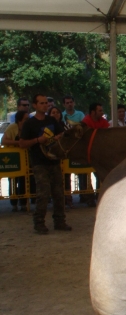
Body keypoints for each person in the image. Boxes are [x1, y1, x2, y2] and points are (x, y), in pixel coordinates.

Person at [20, 94, 71, 234]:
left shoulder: (52, 120)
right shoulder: (29, 123)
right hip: (39, 162)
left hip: (54, 160)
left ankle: (60, 221)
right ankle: (39, 222)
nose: (45, 105)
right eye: (41, 103)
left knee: (58, 193)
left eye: (46, 103)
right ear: (35, 105)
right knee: (43, 193)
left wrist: (58, 137)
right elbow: (22, 143)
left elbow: (62, 133)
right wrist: (38, 140)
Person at [1, 110, 29, 212]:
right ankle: (13, 203)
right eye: (25, 119)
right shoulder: (12, 127)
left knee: (24, 180)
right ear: (19, 120)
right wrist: (18, 143)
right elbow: (3, 141)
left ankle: (23, 203)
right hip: (13, 158)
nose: (27, 121)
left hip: (25, 159)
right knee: (12, 181)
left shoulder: (29, 127)